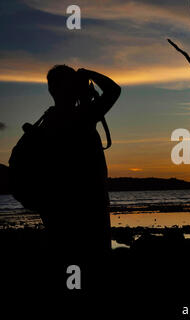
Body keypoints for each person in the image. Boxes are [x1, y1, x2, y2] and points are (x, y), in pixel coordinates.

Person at [39, 65, 121, 263]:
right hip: (89, 205)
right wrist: (88, 74)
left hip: (57, 207)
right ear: (71, 88)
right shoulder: (82, 116)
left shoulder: (47, 120)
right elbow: (114, 90)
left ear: (51, 90)